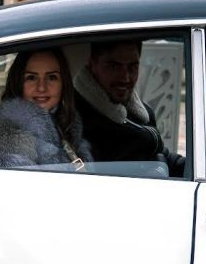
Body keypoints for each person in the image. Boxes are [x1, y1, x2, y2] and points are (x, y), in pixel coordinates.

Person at [0, 48, 92, 170]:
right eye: (31, 77)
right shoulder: (2, 136)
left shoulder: (67, 125)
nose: (42, 87)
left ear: (63, 83)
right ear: (18, 82)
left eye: (52, 77)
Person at [74, 40, 186, 176]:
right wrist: (159, 164)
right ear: (93, 65)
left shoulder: (138, 111)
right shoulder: (78, 120)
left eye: (132, 67)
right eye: (114, 66)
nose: (125, 78)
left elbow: (162, 154)